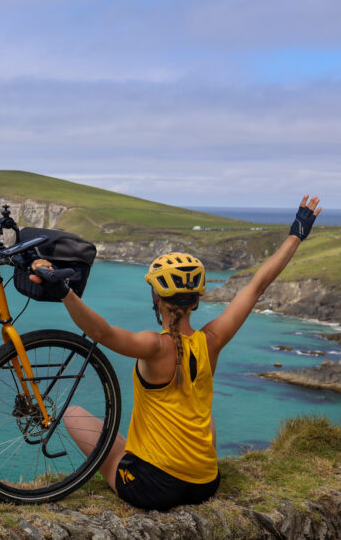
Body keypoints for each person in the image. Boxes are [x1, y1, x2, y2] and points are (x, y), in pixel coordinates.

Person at [29, 195, 322, 511]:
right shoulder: (212, 340)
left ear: (156, 298)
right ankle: (182, 464)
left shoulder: (154, 346)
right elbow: (257, 286)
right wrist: (297, 233)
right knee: (200, 409)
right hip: (204, 484)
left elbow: (102, 332)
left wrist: (64, 291)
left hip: (154, 488)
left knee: (73, 413)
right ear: (196, 301)